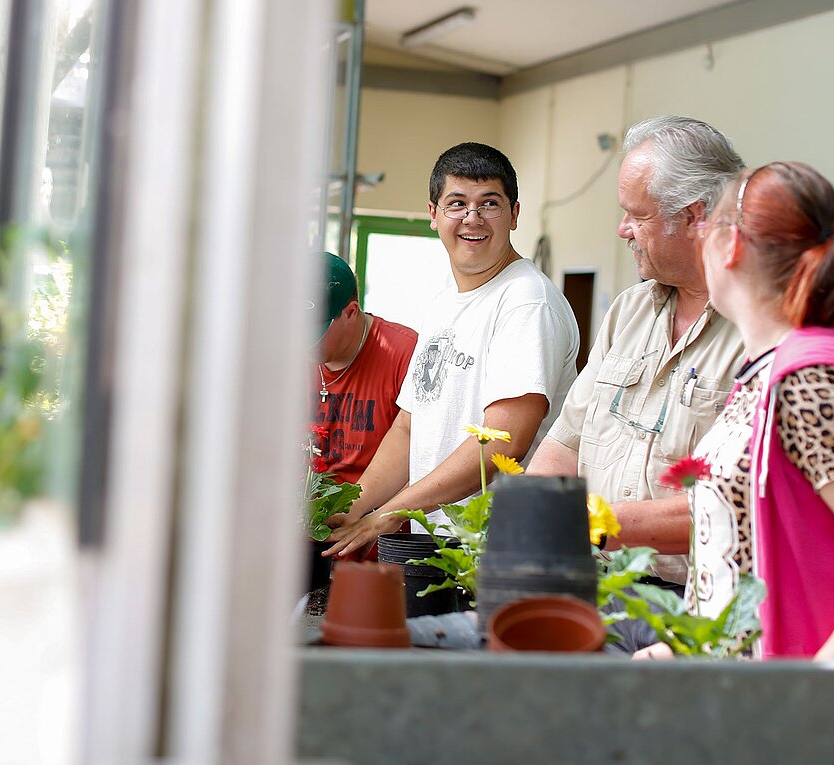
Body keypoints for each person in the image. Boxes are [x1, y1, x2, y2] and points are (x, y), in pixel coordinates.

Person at [678, 161, 834, 658]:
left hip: (801, 713)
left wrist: (807, 707)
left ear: (730, 244)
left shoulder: (816, 380)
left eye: (706, 225)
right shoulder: (768, 372)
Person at [324, 142, 579, 558]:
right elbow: (409, 425)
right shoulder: (446, 300)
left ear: (515, 214)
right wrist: (351, 507)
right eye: (456, 203)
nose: (472, 218)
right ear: (433, 214)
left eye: (489, 204)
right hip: (441, 543)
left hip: (498, 548)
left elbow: (503, 443)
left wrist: (389, 514)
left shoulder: (526, 302)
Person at [526, 117, 747, 591]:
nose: (623, 229)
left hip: (694, 604)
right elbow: (566, 443)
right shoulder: (629, 311)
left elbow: (743, 503)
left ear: (694, 217)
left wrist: (590, 524)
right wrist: (529, 515)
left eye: (638, 216)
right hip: (592, 578)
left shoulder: (762, 329)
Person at [311, 252, 418, 486]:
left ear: (350, 312)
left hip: (374, 513)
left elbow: (425, 459)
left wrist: (373, 520)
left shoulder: (405, 353)